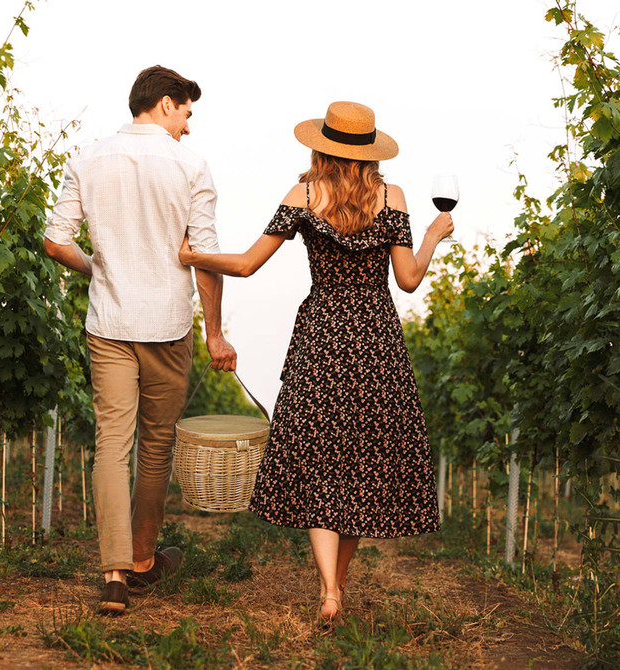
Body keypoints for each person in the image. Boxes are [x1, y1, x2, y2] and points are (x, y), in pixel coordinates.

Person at [178, 101, 452, 624]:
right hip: (376, 339)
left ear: (320, 146)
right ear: (370, 151)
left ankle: (329, 590)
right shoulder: (392, 197)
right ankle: (336, 586)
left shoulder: (303, 195)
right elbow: (410, 280)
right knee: (362, 465)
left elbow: (245, 265)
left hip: (322, 338)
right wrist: (434, 236)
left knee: (323, 461)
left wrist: (194, 258)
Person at [44, 65, 236, 613]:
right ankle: (145, 559)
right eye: (187, 114)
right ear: (168, 103)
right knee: (157, 446)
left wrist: (96, 270)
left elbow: (56, 243)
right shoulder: (191, 166)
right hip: (168, 325)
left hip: (108, 321)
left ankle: (113, 574)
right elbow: (205, 258)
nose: (189, 127)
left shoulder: (87, 159)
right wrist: (216, 334)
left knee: (112, 443)